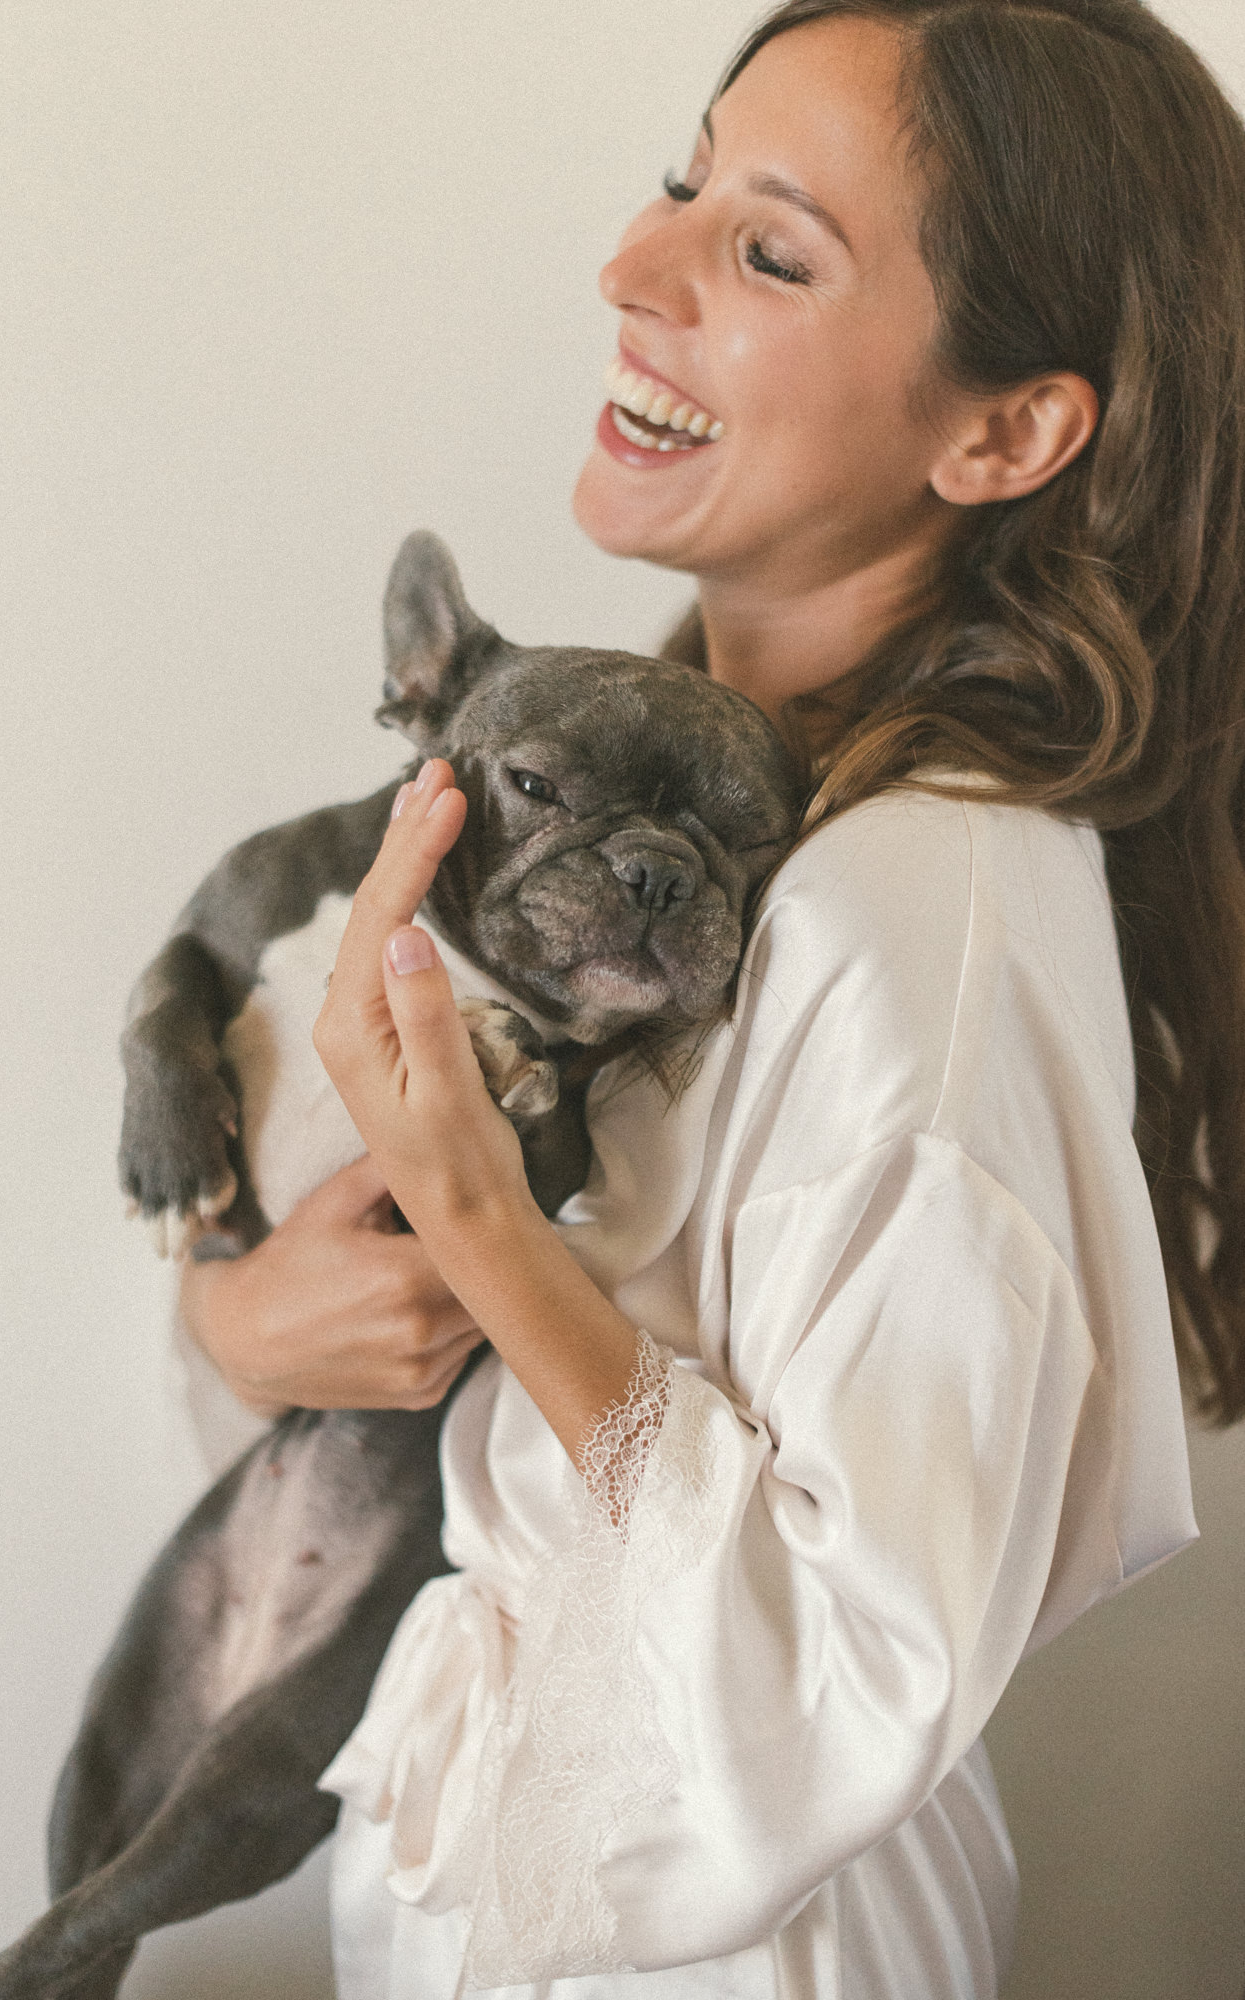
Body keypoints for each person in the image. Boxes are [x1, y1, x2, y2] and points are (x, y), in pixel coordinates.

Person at [180, 2, 1245, 1994]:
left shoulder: (921, 911)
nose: (627, 266)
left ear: (1000, 431)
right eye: (681, 183)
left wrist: (485, 1222)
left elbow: (843, 1666)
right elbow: (375, 1324)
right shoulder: (671, 804)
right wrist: (242, 1311)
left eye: (764, 249)